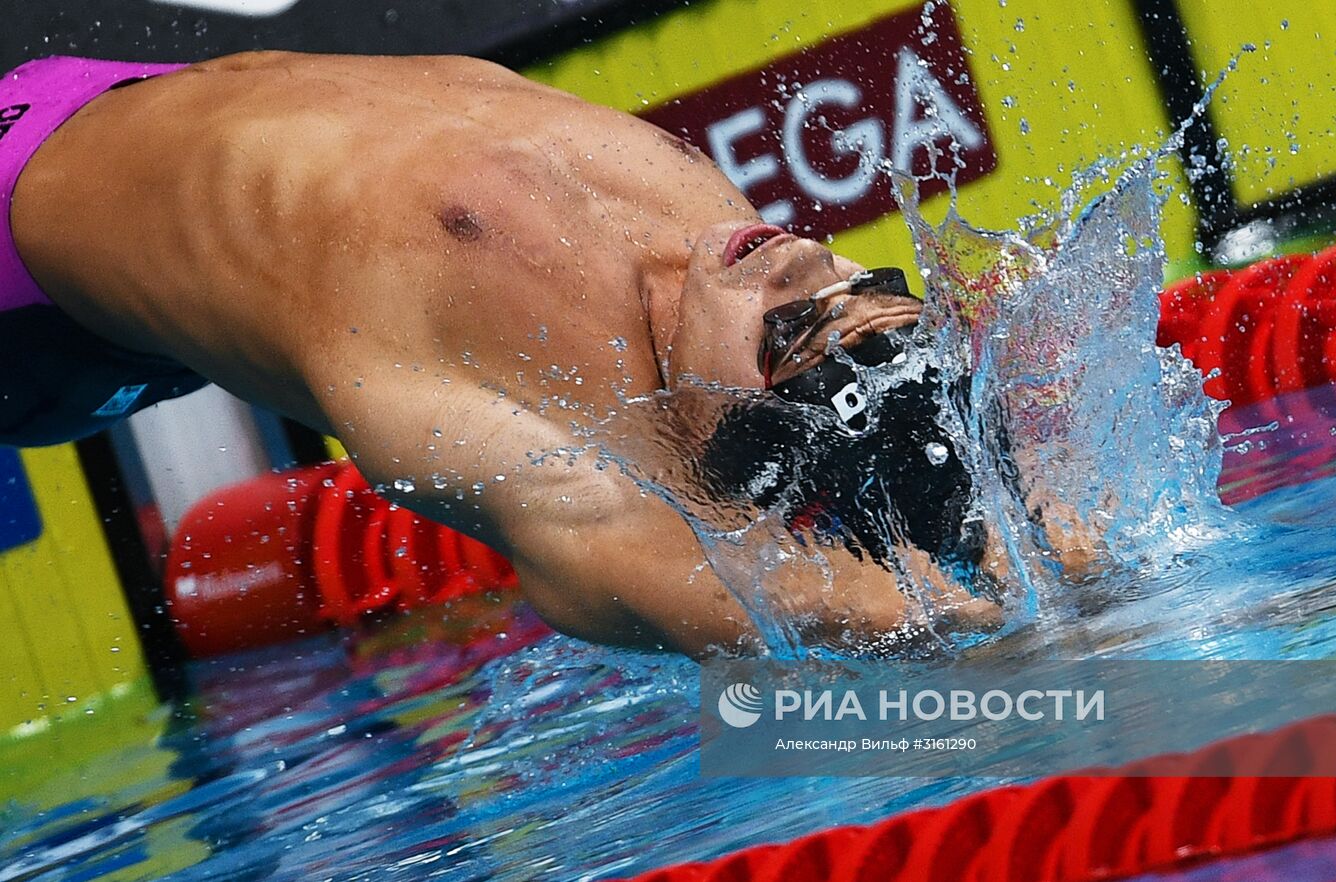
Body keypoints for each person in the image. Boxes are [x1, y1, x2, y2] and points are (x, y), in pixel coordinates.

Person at [2, 52, 1087, 655]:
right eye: (859, 284)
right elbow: (944, 474)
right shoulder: (713, 253)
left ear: (714, 438)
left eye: (795, 326)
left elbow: (678, 580)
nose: (800, 261)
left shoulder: (486, 391)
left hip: (59, 261)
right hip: (80, 160)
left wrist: (1037, 621)